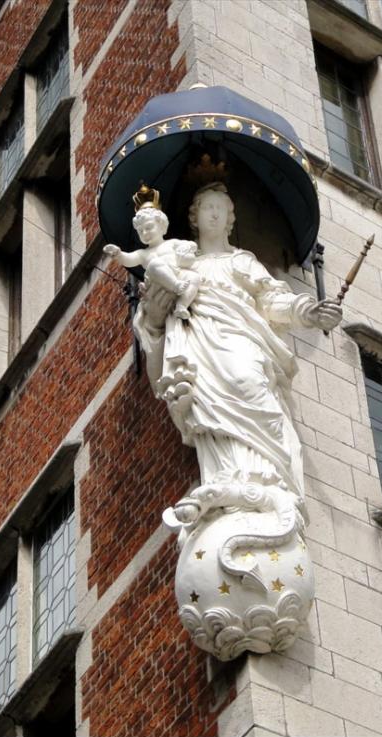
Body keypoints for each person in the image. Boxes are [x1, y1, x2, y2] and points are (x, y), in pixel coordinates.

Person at [134, 181, 343, 500]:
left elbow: (273, 301)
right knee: (209, 409)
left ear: (231, 218)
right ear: (195, 217)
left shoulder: (242, 261)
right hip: (199, 344)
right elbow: (153, 319)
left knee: (251, 384)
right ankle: (227, 476)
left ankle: (270, 476)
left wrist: (309, 312)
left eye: (221, 208)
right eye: (208, 207)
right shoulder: (182, 265)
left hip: (242, 338)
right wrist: (154, 314)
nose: (214, 214)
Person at [103, 191, 200, 320]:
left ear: (162, 226)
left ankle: (181, 306)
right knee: (154, 263)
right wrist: (119, 254)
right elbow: (129, 259)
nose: (145, 233)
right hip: (159, 282)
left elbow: (190, 245)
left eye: (149, 227)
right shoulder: (143, 254)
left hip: (178, 273)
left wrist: (188, 247)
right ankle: (176, 286)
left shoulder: (172, 243)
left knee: (194, 278)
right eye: (140, 231)